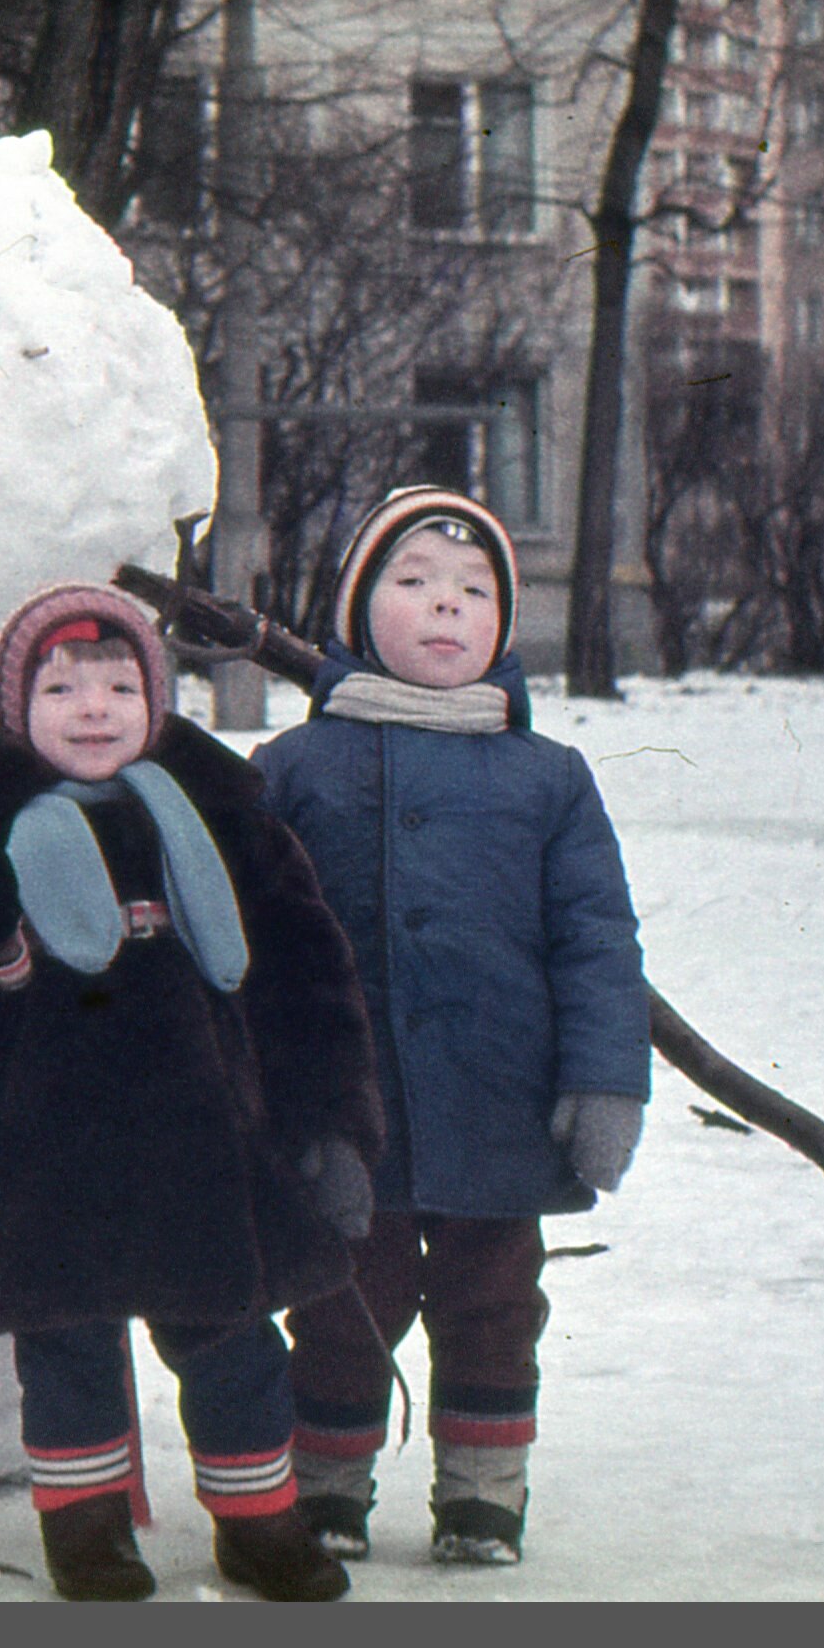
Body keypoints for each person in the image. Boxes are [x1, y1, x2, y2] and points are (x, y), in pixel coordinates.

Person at [0, 584, 382, 1601]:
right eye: (60, 686)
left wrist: (329, 1127)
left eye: (118, 684)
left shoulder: (228, 827)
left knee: (232, 1344)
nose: (92, 707)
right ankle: (86, 1531)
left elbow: (307, 977)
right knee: (66, 1351)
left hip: (206, 1148)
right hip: (42, 1153)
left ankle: (258, 1520)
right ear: (13, 706)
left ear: (156, 698)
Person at [255, 488, 651, 1568]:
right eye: (413, 583)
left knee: (493, 1301)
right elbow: (246, 941)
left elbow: (596, 940)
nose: (446, 608)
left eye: (474, 591)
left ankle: (482, 1489)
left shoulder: (549, 778)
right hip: (347, 1106)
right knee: (337, 1297)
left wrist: (606, 1081)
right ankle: (324, 1483)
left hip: (501, 1098)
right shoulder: (293, 768)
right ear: (354, 610)